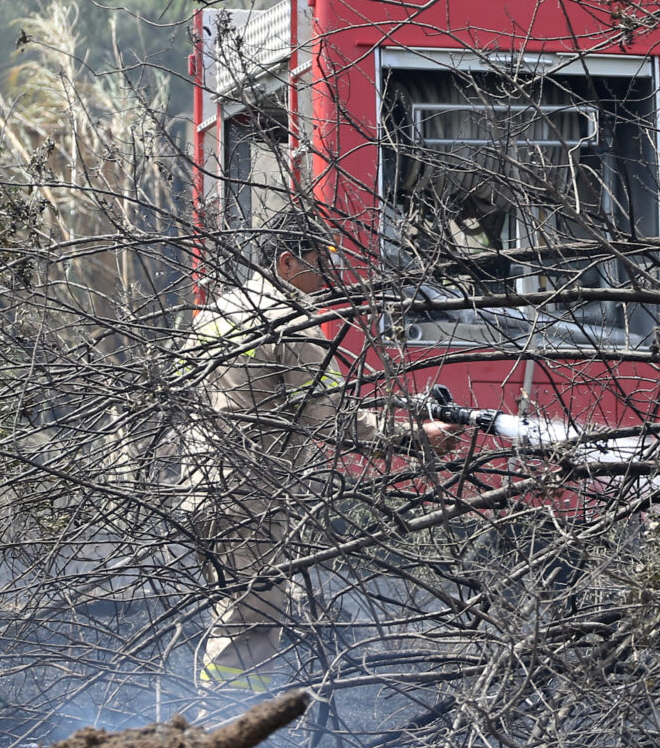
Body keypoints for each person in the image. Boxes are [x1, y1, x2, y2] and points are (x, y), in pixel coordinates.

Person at [182, 211, 460, 693]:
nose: (329, 277)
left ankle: (216, 731)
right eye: (321, 261)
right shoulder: (292, 322)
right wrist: (416, 435)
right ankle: (222, 738)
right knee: (250, 625)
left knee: (233, 612)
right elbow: (329, 418)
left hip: (203, 485)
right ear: (287, 262)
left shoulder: (220, 313)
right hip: (250, 495)